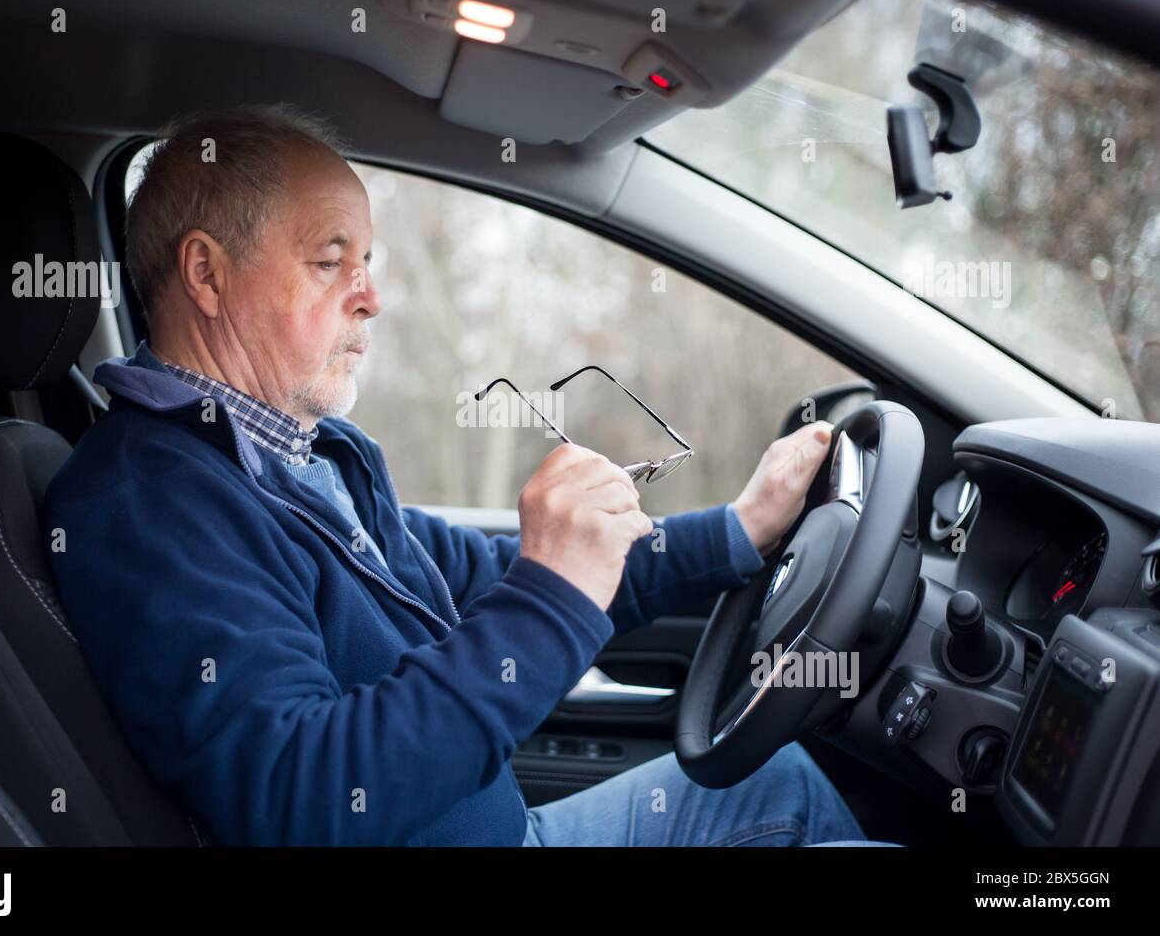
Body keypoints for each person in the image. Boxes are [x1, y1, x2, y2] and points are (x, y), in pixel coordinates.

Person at [42, 104, 872, 846]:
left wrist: (739, 528)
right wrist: (550, 600)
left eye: (368, 260)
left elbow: (483, 576)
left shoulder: (302, 455)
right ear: (206, 274)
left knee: (783, 777)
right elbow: (301, 798)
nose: (371, 296)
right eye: (331, 261)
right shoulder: (149, 501)